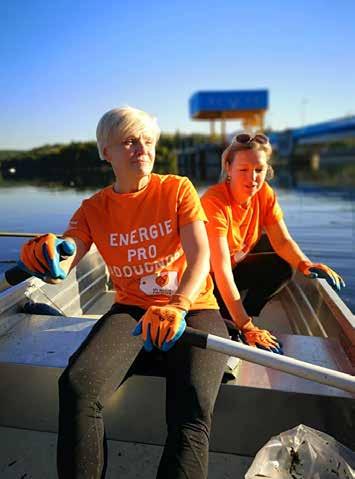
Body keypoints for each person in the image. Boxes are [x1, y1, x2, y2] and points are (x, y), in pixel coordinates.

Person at [18, 106, 228, 479]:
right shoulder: (93, 208)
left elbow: (201, 258)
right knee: (77, 388)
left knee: (191, 410)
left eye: (148, 141)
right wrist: (46, 253)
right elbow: (66, 257)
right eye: (130, 142)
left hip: (193, 307)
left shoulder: (177, 188)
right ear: (106, 152)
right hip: (132, 311)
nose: (142, 149)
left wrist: (178, 306)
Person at [201, 133, 345, 354]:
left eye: (259, 170)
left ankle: (243, 312)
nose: (252, 178)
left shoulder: (264, 194)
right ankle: (232, 319)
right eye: (243, 170)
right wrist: (246, 326)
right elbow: (220, 270)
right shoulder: (214, 202)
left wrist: (306, 264)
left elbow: (283, 240)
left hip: (234, 266)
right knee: (259, 256)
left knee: (284, 263)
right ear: (228, 169)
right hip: (208, 283)